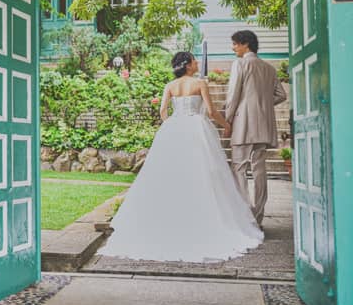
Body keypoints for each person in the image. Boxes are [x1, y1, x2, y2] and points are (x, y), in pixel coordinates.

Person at [98, 52, 263, 262]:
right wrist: (226, 125)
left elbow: (162, 110)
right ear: (187, 65)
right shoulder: (200, 83)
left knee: (171, 174)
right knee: (203, 173)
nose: (197, 63)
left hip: (174, 129)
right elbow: (211, 111)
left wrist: (170, 124)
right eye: (194, 61)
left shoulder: (170, 85)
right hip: (196, 128)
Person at [225, 30, 287, 227]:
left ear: (246, 44)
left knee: (239, 168)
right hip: (264, 126)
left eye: (235, 44)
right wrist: (262, 103)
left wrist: (227, 121)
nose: (233, 47)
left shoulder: (241, 63)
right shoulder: (269, 68)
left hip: (243, 123)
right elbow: (281, 95)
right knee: (260, 171)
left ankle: (245, 218)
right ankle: (258, 217)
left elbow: (233, 95)